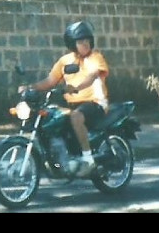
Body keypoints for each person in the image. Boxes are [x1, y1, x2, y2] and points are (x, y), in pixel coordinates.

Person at [19, 20, 109, 177]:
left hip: (95, 103)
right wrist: (30, 87)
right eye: (81, 41)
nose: (85, 44)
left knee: (75, 117)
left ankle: (88, 159)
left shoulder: (96, 58)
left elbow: (92, 76)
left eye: (87, 40)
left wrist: (76, 87)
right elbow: (50, 81)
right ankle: (62, 157)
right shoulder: (65, 61)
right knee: (52, 118)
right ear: (72, 44)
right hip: (73, 105)